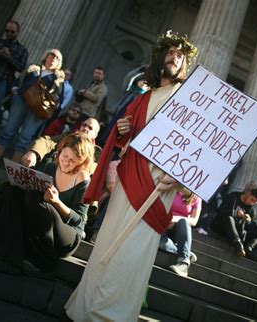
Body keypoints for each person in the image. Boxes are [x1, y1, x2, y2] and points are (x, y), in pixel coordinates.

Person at [63, 30, 198, 321]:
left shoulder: (189, 100)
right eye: (171, 52)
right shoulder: (143, 97)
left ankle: (110, 317)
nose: (175, 57)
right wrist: (124, 132)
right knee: (106, 245)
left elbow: (197, 151)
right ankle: (84, 310)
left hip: (158, 188)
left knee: (131, 256)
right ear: (161, 56)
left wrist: (180, 179)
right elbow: (129, 141)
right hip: (128, 181)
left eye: (181, 55)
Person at [0, 132, 93, 273]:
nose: (66, 162)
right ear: (59, 152)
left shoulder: (83, 179)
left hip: (67, 236)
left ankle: (43, 261)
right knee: (14, 191)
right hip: (41, 224)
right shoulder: (50, 167)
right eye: (65, 156)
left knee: (40, 202)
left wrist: (57, 202)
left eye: (73, 160)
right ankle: (2, 251)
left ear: (82, 161)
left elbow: (78, 221)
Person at [0, 49, 65, 163]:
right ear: (46, 56)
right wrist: (15, 89)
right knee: (8, 129)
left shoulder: (58, 78)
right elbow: (19, 79)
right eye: (52, 55)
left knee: (25, 136)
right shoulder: (33, 68)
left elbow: (59, 97)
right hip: (21, 99)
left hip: (38, 108)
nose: (53, 58)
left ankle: (14, 165)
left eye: (57, 58)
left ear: (59, 62)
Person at [211, 187, 257, 262]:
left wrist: (249, 222)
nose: (251, 203)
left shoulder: (251, 209)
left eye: (254, 202)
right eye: (252, 199)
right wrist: (234, 213)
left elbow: (252, 230)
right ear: (249, 193)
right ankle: (238, 244)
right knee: (229, 219)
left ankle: (248, 249)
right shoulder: (233, 196)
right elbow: (220, 211)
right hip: (223, 226)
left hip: (239, 231)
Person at [20, 117, 100, 169]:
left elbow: (93, 169)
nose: (85, 128)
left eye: (90, 128)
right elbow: (48, 141)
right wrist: (34, 152)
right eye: (84, 125)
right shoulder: (68, 136)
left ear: (95, 135)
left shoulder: (96, 152)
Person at [97, 73, 149, 147]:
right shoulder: (130, 91)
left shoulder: (144, 98)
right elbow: (129, 78)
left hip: (127, 122)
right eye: (143, 81)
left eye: (147, 84)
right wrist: (140, 71)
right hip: (118, 116)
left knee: (117, 142)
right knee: (107, 135)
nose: (144, 84)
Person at [159, 188, 201, 277]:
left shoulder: (196, 197)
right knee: (160, 242)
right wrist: (167, 219)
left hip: (179, 230)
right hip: (163, 223)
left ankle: (183, 263)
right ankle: (186, 253)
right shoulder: (172, 188)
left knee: (183, 221)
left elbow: (194, 221)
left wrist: (175, 219)